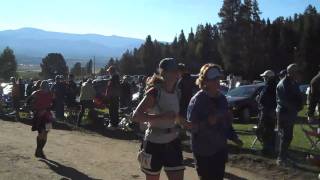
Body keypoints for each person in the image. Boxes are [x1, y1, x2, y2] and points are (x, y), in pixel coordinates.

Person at [133, 58, 185, 180]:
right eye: (173, 71)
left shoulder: (177, 92)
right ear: (164, 73)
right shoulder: (154, 92)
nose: (177, 73)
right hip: (153, 143)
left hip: (173, 142)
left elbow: (174, 116)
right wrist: (161, 117)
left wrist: (187, 124)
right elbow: (136, 116)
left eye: (178, 70)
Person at [187, 64, 239, 180]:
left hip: (220, 149)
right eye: (213, 79)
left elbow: (226, 123)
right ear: (205, 81)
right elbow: (191, 127)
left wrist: (234, 136)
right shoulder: (197, 100)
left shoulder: (222, 99)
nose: (217, 82)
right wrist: (207, 122)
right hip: (203, 151)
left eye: (218, 79)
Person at [276, 64, 303, 166]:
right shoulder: (283, 84)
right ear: (290, 72)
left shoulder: (293, 83)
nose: (297, 74)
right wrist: (295, 107)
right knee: (286, 136)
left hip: (290, 113)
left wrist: (299, 105)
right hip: (284, 113)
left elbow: (297, 96)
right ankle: (281, 158)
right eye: (296, 72)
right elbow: (284, 101)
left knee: (289, 136)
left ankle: (284, 156)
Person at [28, 80, 54, 159]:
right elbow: (29, 102)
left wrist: (36, 109)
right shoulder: (38, 93)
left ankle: (39, 150)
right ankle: (39, 150)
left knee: (44, 132)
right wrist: (36, 109)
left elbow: (29, 101)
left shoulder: (39, 93)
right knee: (43, 133)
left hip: (46, 115)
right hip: (43, 115)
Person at [257, 70, 277, 156]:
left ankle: (266, 150)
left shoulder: (269, 87)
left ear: (268, 78)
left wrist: (259, 99)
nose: (264, 79)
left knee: (264, 130)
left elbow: (263, 99)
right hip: (272, 112)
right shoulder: (275, 86)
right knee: (270, 130)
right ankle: (269, 148)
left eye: (265, 77)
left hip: (267, 111)